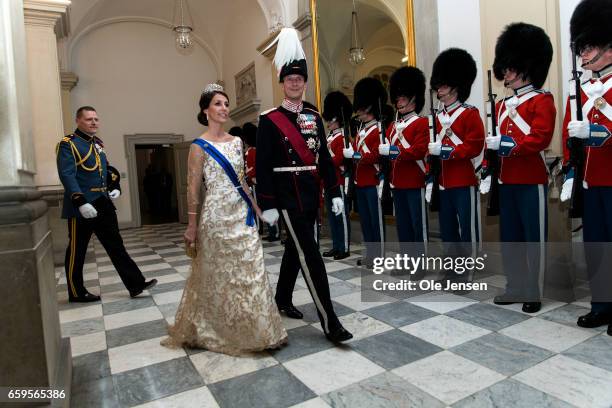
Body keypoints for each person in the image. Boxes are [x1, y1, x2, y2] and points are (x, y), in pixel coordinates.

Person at [162, 84, 287, 355]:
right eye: (218, 104)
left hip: (241, 214)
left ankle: (259, 332)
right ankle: (217, 329)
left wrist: (255, 206)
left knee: (251, 271)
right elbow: (193, 188)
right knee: (219, 275)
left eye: (226, 104)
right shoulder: (198, 146)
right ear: (205, 110)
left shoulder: (237, 142)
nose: (224, 109)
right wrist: (192, 226)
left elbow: (242, 180)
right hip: (216, 216)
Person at [256, 28, 353, 343]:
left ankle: (282, 298)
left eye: (299, 79)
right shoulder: (270, 120)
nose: (295, 83)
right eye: (289, 79)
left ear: (305, 83)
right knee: (310, 254)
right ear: (282, 83)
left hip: (311, 195)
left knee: (294, 250)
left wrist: (334, 191)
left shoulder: (314, 115)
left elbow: (324, 157)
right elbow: (264, 166)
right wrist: (267, 205)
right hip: (286, 198)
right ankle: (330, 322)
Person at [486, 23, 555, 314]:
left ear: (526, 68)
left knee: (533, 238)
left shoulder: (542, 100)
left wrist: (506, 145)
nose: (507, 73)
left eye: (512, 68)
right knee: (511, 237)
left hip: (531, 179)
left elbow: (540, 137)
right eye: (506, 68)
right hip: (507, 179)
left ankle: (533, 290)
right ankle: (514, 286)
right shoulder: (501, 106)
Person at [56, 106, 157, 302]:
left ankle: (135, 284)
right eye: (88, 119)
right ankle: (76, 292)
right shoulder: (69, 144)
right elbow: (67, 174)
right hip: (82, 207)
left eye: (96, 119)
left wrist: (115, 184)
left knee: (116, 246)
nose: (94, 122)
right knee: (78, 250)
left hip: (102, 203)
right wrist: (80, 201)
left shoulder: (97, 144)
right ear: (78, 121)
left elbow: (106, 169)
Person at [560, 0, 612, 335]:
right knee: (595, 247)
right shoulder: (579, 91)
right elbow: (569, 136)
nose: (583, 54)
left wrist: (598, 132)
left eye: (588, 47)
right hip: (591, 183)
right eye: (581, 48)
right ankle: (601, 305)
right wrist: (569, 171)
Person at [428, 48, 485, 282]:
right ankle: (452, 269)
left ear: (455, 86)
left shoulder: (470, 114)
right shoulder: (435, 118)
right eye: (438, 85)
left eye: (443, 85)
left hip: (463, 180)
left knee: (468, 229)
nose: (439, 89)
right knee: (448, 231)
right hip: (443, 182)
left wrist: (447, 151)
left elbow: (474, 146)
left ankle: (468, 270)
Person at [380, 66, 429, 264]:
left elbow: (418, 150)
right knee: (404, 225)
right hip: (397, 183)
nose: (398, 101)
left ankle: (420, 263)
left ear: (413, 98)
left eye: (402, 97)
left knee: (418, 226)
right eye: (397, 98)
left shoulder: (422, 123)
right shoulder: (392, 126)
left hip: (415, 181)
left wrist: (393, 152)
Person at [344, 77, 388, 269]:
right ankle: (371, 254)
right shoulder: (361, 131)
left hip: (373, 181)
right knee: (366, 222)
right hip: (360, 182)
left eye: (362, 109)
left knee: (376, 222)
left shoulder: (380, 129)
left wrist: (355, 155)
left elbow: (378, 156)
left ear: (369, 108)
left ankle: (379, 256)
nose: (359, 113)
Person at [322, 91, 353, 260]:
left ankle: (345, 247)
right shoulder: (329, 137)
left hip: (338, 180)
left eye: (331, 118)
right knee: (333, 216)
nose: (328, 122)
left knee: (340, 215)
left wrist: (325, 159)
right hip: (328, 181)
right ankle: (336, 245)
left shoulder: (343, 137)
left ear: (337, 118)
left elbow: (339, 159)